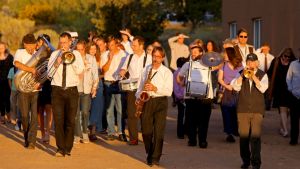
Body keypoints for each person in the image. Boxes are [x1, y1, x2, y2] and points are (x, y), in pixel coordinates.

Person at [49, 32, 84, 156]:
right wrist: (57, 62)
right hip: (57, 90)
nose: (62, 45)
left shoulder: (77, 55)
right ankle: (60, 148)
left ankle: (68, 147)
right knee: (58, 121)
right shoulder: (54, 54)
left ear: (70, 42)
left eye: (65, 42)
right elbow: (49, 73)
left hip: (71, 90)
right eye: (61, 42)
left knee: (70, 121)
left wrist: (71, 60)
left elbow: (80, 70)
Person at [136, 46, 173, 166]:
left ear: (162, 58)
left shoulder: (167, 72)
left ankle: (155, 157)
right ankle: (150, 152)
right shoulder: (146, 69)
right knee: (146, 131)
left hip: (160, 101)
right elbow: (140, 85)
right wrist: (138, 97)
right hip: (147, 101)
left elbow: (169, 92)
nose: (155, 59)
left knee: (159, 131)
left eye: (158, 57)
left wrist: (155, 88)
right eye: (154, 56)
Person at [231, 53, 268, 169]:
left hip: (257, 110)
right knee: (244, 137)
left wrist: (254, 77)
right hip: (242, 110)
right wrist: (243, 75)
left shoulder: (263, 75)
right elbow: (235, 87)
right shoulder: (240, 74)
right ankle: (246, 161)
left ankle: (256, 163)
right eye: (248, 62)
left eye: (252, 62)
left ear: (257, 63)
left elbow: (263, 88)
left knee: (255, 137)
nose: (250, 64)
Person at [177, 43, 214, 148]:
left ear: (201, 53)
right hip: (190, 97)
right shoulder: (187, 64)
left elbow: (219, 64)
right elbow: (179, 77)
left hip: (206, 97)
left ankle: (202, 141)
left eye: (196, 52)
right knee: (191, 120)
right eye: (192, 52)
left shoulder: (208, 64)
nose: (193, 54)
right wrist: (183, 84)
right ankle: (192, 140)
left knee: (204, 120)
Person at [119, 36, 152, 145]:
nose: (132, 47)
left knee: (145, 114)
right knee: (131, 113)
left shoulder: (149, 58)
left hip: (145, 89)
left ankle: (146, 136)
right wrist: (122, 71)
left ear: (141, 46)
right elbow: (124, 68)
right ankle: (133, 138)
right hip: (132, 89)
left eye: (134, 45)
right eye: (132, 45)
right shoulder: (129, 57)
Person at [13, 34, 38, 149]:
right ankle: (27, 137)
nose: (31, 48)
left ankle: (32, 141)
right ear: (25, 45)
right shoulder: (20, 52)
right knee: (24, 116)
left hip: (35, 88)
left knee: (34, 116)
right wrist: (31, 69)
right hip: (23, 89)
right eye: (29, 46)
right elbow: (17, 63)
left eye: (33, 45)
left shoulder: (37, 54)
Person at [102, 36, 127, 141]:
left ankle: (121, 132)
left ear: (117, 44)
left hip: (119, 83)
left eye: (112, 45)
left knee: (120, 109)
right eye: (109, 45)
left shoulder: (124, 55)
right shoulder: (105, 54)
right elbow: (103, 70)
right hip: (108, 83)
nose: (110, 47)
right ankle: (111, 132)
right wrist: (110, 59)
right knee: (109, 109)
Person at [74, 40, 98, 144]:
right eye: (77, 49)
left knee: (85, 112)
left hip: (87, 89)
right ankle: (77, 135)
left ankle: (84, 133)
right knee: (75, 114)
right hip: (75, 89)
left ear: (85, 48)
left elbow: (95, 74)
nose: (79, 51)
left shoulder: (91, 58)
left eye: (81, 49)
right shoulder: (73, 58)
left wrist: (94, 88)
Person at [267, 48, 296, 137]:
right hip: (278, 89)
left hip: (290, 89)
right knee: (282, 109)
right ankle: (285, 130)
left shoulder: (293, 63)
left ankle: (282, 127)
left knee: (287, 110)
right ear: (282, 54)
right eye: (285, 56)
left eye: (289, 57)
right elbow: (269, 73)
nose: (287, 58)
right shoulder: (276, 61)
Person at [218, 47, 243, 142]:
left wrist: (236, 86)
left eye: (225, 54)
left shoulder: (240, 66)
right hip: (225, 91)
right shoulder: (223, 65)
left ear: (230, 54)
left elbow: (243, 77)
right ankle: (229, 133)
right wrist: (226, 86)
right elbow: (220, 79)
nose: (224, 55)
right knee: (226, 113)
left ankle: (235, 130)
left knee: (235, 112)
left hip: (237, 91)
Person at [36, 34, 54, 143]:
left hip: (48, 84)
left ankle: (48, 133)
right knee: (39, 110)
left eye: (43, 42)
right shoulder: (36, 55)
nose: (40, 44)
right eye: (39, 42)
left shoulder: (52, 54)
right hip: (37, 83)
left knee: (48, 108)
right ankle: (42, 133)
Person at [256, 43, 274, 110]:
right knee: (260, 90)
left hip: (269, 76)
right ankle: (260, 105)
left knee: (268, 91)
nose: (265, 50)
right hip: (260, 75)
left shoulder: (272, 57)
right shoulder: (258, 55)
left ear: (269, 49)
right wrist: (260, 49)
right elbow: (254, 54)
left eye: (267, 48)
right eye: (264, 48)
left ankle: (267, 106)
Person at [286, 56, 300, 145]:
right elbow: (288, 77)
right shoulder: (293, 64)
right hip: (295, 96)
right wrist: (291, 89)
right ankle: (294, 139)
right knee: (294, 119)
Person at [173, 57, 187, 139]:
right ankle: (184, 131)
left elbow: (174, 86)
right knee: (186, 115)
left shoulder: (175, 72)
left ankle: (180, 133)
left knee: (180, 115)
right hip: (184, 96)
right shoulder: (183, 73)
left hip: (178, 96)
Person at [0, 41, 13, 124]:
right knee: (0, 99)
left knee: (7, 99)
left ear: (5, 48)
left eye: (2, 47)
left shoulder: (10, 57)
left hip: (8, 81)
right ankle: (2, 116)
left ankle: (8, 115)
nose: (0, 49)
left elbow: (13, 70)